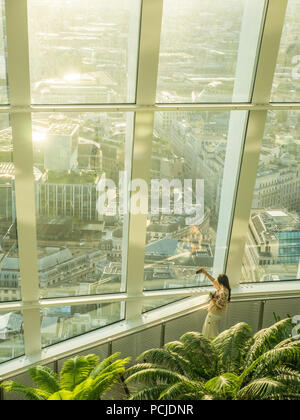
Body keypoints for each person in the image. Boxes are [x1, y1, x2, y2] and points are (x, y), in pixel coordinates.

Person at [196, 268, 231, 338]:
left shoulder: (223, 292)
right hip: (215, 314)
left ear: (221, 282)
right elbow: (213, 280)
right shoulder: (223, 289)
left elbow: (219, 305)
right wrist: (205, 273)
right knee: (211, 331)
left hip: (214, 314)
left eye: (218, 281)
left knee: (210, 332)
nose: (217, 281)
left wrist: (212, 298)